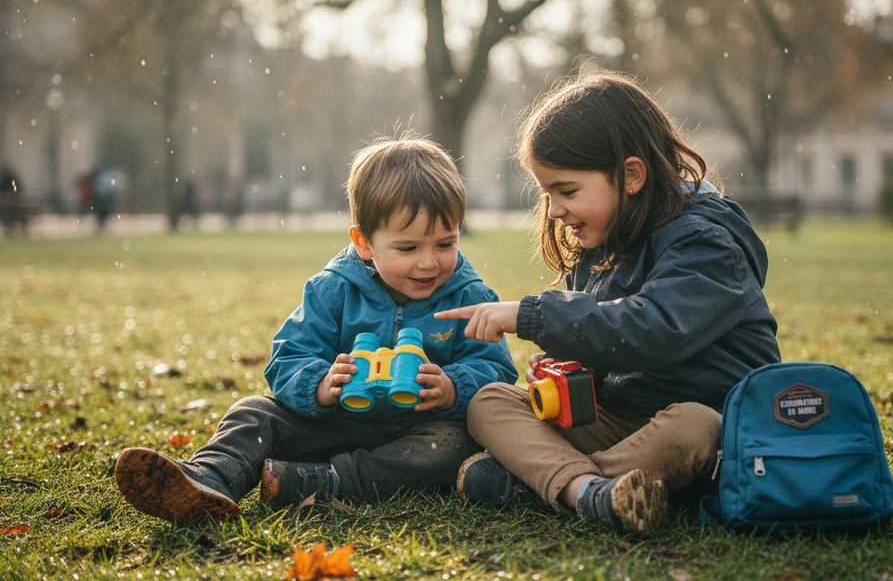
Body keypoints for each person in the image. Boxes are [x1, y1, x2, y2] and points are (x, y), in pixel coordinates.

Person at [435, 70, 781, 534]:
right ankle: (593, 493)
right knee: (489, 401)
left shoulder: (706, 244)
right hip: (622, 418)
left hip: (706, 426)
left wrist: (533, 314)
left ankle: (549, 483)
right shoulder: (602, 241)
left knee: (695, 425)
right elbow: (604, 338)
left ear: (631, 175)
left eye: (567, 191)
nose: (554, 210)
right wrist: (563, 365)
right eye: (547, 193)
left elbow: (652, 331)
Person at [114, 133, 518, 524]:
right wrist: (320, 386)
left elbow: (497, 372)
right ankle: (209, 478)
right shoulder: (333, 289)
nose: (429, 263)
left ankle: (324, 481)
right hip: (332, 423)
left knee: (452, 446)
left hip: (415, 431)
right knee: (254, 412)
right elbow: (288, 355)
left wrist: (452, 388)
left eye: (445, 245)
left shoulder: (470, 297)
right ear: (364, 243)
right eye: (408, 248)